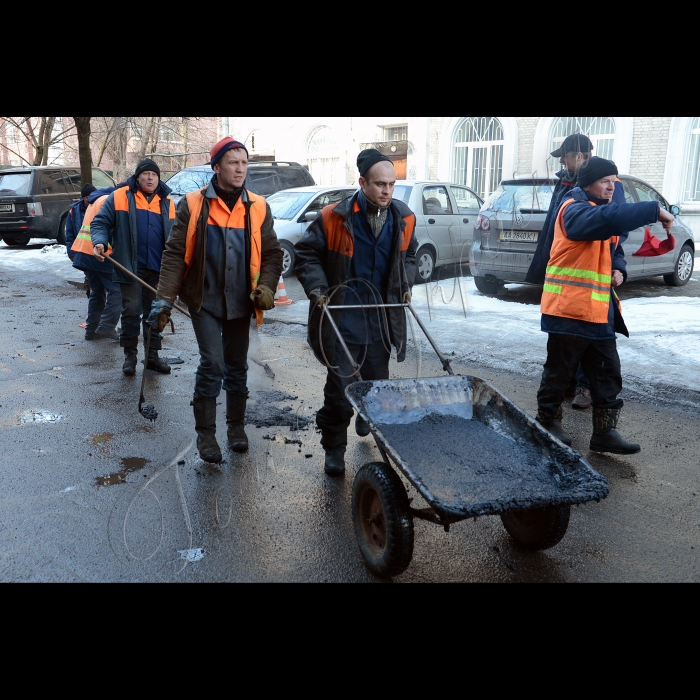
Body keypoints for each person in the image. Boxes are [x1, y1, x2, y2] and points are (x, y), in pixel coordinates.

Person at [147, 138, 283, 464]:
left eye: (244, 163)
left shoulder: (258, 206)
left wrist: (265, 286)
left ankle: (236, 428)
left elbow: (273, 255)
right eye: (233, 163)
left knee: (237, 365)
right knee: (213, 363)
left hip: (241, 301)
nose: (240, 169)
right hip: (203, 299)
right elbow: (175, 255)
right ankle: (206, 434)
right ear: (217, 167)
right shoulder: (193, 204)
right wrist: (162, 301)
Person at [536, 157, 675, 455]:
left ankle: (605, 433)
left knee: (607, 373)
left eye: (614, 182)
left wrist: (619, 268)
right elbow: (605, 222)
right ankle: (547, 422)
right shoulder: (573, 209)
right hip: (568, 311)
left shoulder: (600, 209)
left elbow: (614, 246)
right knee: (560, 372)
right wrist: (652, 210)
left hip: (598, 312)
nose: (612, 187)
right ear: (588, 183)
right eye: (605, 182)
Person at [295, 149, 418, 476]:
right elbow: (306, 256)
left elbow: (411, 257)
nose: (387, 191)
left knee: (378, 386)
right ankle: (334, 448)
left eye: (392, 184)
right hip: (343, 318)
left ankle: (370, 420)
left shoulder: (404, 218)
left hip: (380, 319)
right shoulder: (333, 217)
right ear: (362, 182)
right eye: (380, 184)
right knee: (339, 388)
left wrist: (406, 282)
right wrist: (319, 288)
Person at [527, 134, 629, 411]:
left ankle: (592, 408)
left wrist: (618, 267)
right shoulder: (570, 191)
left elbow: (616, 231)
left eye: (566, 155)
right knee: (562, 362)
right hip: (568, 298)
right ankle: (551, 416)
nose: (562, 160)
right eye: (605, 183)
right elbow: (560, 228)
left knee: (601, 362)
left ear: (580, 157)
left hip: (594, 299)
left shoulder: (607, 188)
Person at [91, 160, 176, 377]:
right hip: (130, 267)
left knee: (156, 314)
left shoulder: (167, 202)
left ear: (159, 178)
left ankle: (153, 357)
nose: (150, 178)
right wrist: (99, 242)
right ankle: (130, 356)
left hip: (158, 269)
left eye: (154, 175)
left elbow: (176, 236)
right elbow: (100, 222)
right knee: (131, 312)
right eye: (146, 174)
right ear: (137, 177)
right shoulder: (120, 197)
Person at [67, 185, 122, 341]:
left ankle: (91, 330)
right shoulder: (109, 200)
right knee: (117, 291)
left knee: (97, 292)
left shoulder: (95, 200)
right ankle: (106, 328)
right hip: (102, 254)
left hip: (86, 253)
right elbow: (110, 228)